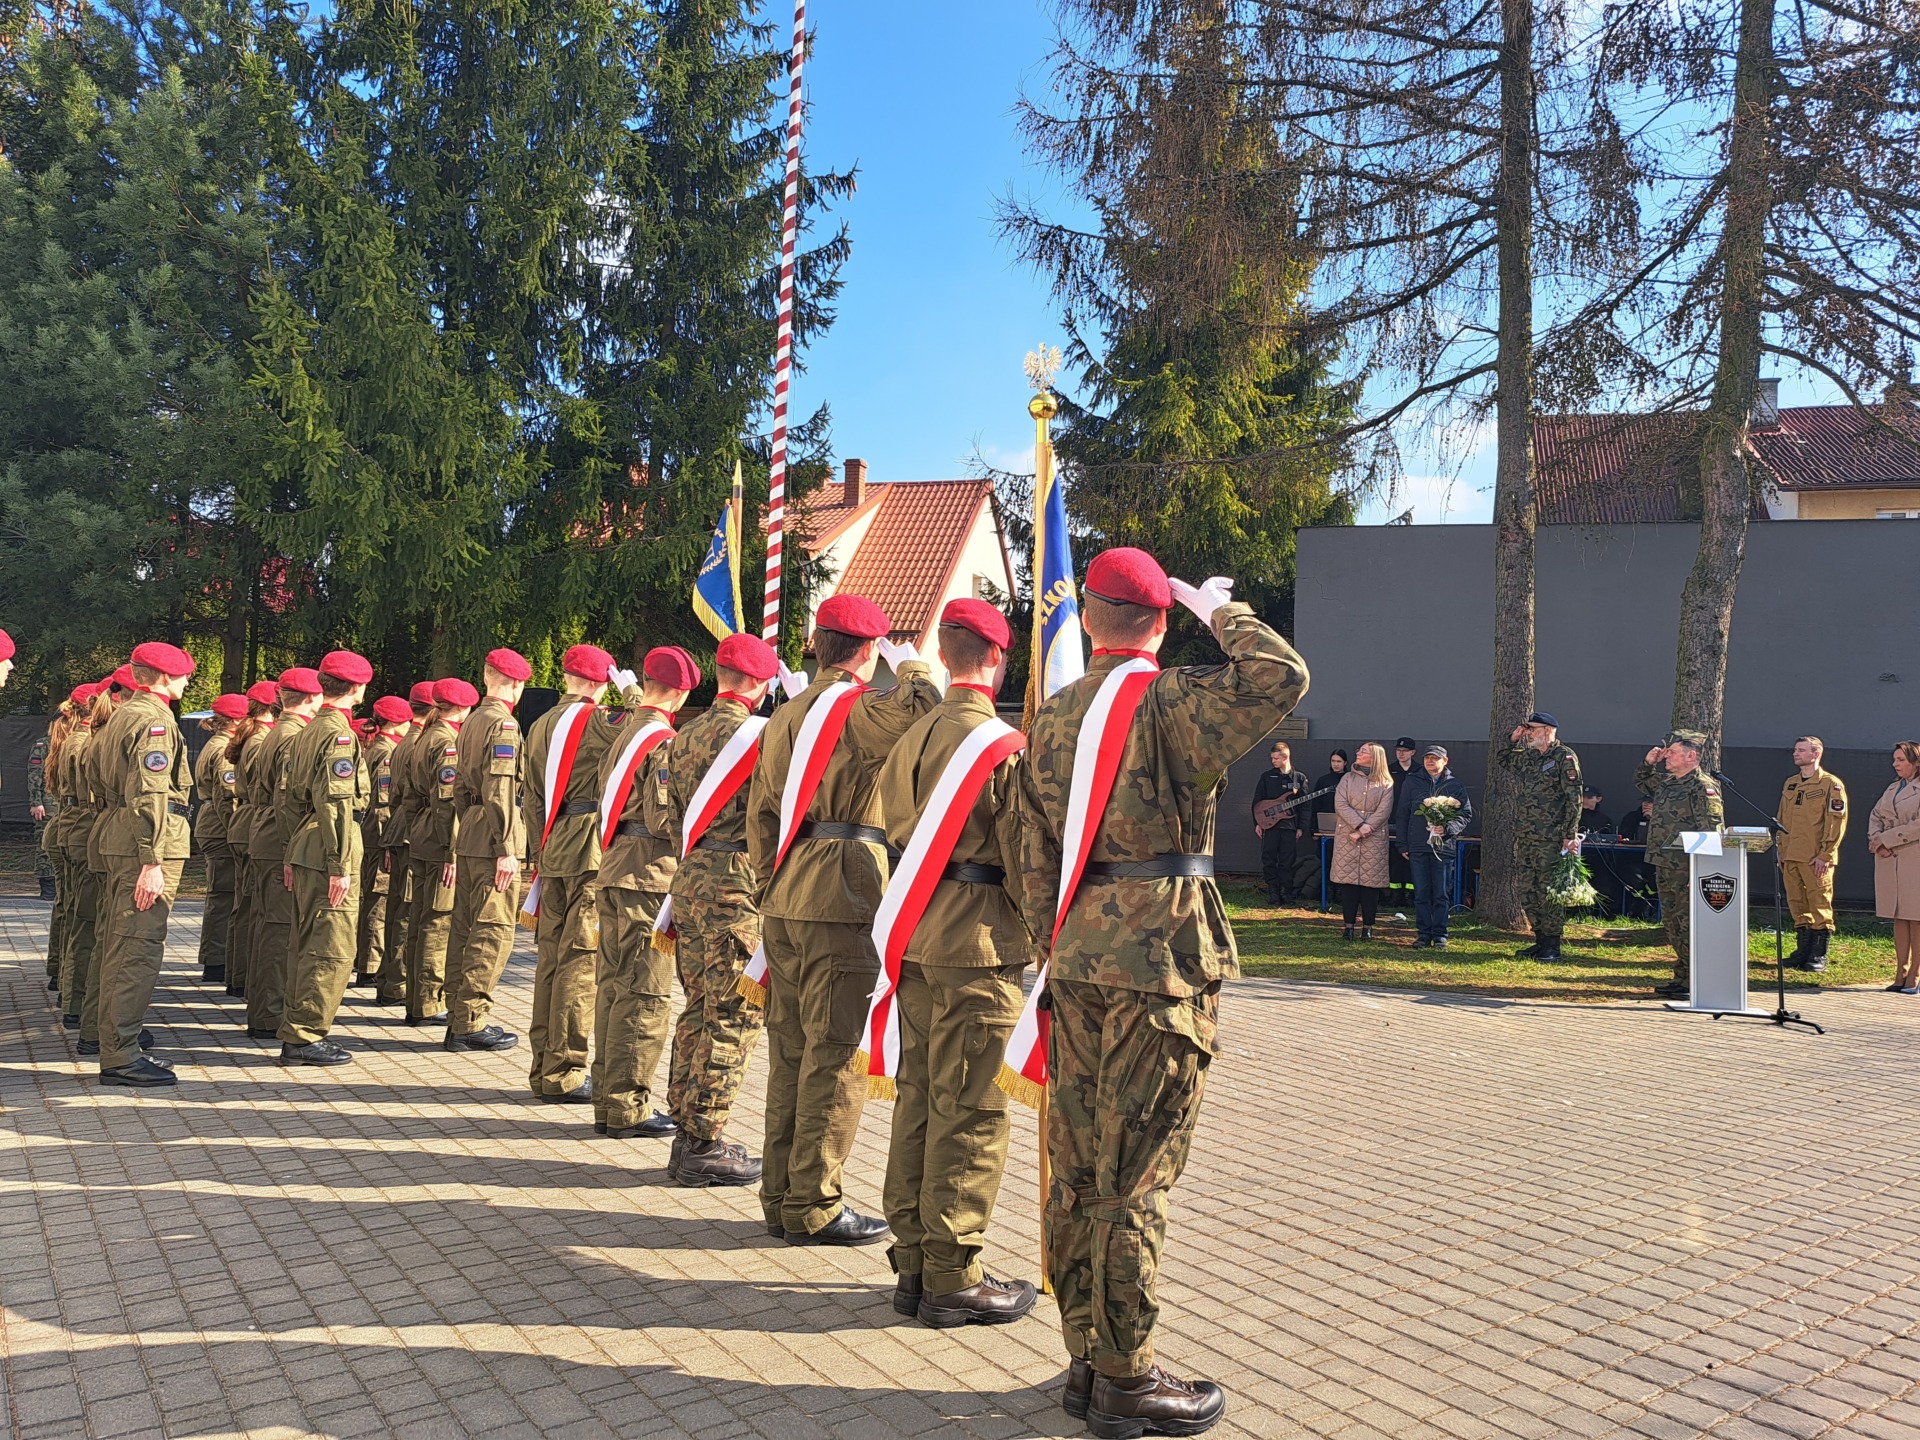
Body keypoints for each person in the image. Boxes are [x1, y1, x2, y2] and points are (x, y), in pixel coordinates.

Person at [1018, 548, 1308, 1434]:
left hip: (1077, 955)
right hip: (1162, 963)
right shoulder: (1177, 700)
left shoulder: (1052, 714)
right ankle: (1127, 1378)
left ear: (1089, 618)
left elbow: (1028, 850)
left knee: (1077, 1167)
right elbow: (1281, 674)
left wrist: (1059, 944)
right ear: (1159, 620)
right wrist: (1217, 610)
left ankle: (1085, 1358)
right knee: (1135, 1174)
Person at [746, 592, 940, 1246]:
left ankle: (780, 1197)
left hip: (786, 891)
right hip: (843, 894)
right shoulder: (861, 708)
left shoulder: (785, 712)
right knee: (836, 1056)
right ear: (868, 651)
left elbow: (761, 816)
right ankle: (814, 1205)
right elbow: (929, 710)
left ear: (818, 647)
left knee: (790, 1054)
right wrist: (911, 665)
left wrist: (769, 886)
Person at [875, 598, 1036, 1329]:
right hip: (980, 941)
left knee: (919, 1096)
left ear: (944, 657)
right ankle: (952, 1273)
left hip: (916, 928)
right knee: (969, 1107)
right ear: (997, 659)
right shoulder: (1000, 746)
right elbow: (1025, 855)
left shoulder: (910, 735)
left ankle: (913, 1262)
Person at [644, 632, 779, 1186]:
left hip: (690, 879)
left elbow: (661, 818)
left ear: (721, 677)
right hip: (736, 887)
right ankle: (702, 1143)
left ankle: (687, 1131)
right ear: (760, 683)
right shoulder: (764, 737)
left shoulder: (679, 738)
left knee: (698, 1008)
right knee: (733, 1015)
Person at [587, 645, 689, 1133]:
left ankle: (608, 1100)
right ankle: (627, 1106)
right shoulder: (663, 741)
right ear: (682, 693)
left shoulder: (626, 732)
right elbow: (663, 816)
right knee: (645, 993)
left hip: (616, 867)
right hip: (648, 875)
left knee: (613, 987)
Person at [91, 641, 198, 1087]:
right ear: (166, 677)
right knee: (137, 948)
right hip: (146, 840)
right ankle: (121, 1055)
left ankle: (114, 1044)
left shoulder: (122, 715)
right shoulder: (155, 721)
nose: (188, 682)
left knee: (119, 945)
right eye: (185, 675)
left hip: (122, 834)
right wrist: (151, 859)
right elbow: (149, 792)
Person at [523, 644, 619, 1104]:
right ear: (602, 682)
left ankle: (543, 1065)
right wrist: (630, 690)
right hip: (587, 847)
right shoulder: (599, 722)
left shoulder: (541, 723)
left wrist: (536, 849)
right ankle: (563, 1071)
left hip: (553, 841)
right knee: (579, 962)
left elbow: (530, 795)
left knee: (550, 959)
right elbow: (649, 726)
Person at [278, 650, 373, 1065]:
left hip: (307, 841)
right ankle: (305, 1034)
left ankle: (298, 1028)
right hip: (330, 844)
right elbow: (335, 802)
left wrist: (290, 851)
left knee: (305, 942)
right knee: (332, 946)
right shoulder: (339, 735)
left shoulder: (306, 730)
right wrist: (339, 864)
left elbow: (286, 799)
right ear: (357, 687)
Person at [445, 649, 529, 1053]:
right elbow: (501, 789)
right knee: (491, 930)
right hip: (495, 835)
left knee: (464, 928)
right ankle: (470, 1021)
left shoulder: (472, 721)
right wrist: (506, 846)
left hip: (473, 830)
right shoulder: (503, 725)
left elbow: (461, 788)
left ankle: (456, 1014)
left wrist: (472, 822)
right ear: (517, 684)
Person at [245, 668, 324, 1040]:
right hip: (279, 839)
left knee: (269, 927)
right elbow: (286, 799)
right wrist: (292, 851)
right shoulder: (293, 736)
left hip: (268, 836)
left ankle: (264, 1009)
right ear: (310, 697)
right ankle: (270, 1014)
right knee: (279, 931)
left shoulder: (279, 731)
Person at [404, 679, 474, 1028]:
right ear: (462, 707)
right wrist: (452, 852)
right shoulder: (447, 742)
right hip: (438, 838)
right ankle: (427, 1002)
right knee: (437, 921)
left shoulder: (424, 736)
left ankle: (416, 999)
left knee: (420, 918)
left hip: (422, 833)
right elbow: (447, 803)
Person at [1637, 731, 1725, 998]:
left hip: (1687, 867)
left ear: (1691, 756)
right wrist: (1649, 762)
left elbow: (1710, 831)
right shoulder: (1668, 782)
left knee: (1690, 924)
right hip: (1665, 863)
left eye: (1672, 752)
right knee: (1673, 923)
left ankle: (1698, 978)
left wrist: (1701, 871)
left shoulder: (1701, 786)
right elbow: (1641, 780)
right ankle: (1684, 976)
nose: (1667, 756)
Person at [1498, 712, 1584, 962]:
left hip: (1551, 837)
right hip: (1526, 835)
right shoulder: (1530, 757)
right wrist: (1512, 740)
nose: (1528, 733)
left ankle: (1552, 944)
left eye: (1532, 729)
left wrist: (1569, 833)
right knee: (1527, 890)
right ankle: (1539, 939)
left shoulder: (1564, 757)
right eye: (1526, 729)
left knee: (1549, 891)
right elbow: (1503, 758)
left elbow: (1574, 797)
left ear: (1547, 730)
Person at [375, 682, 437, 1006]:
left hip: (401, 828)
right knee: (408, 910)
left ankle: (389, 979)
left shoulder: (405, 742)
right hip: (413, 829)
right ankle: (397, 982)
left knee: (398, 907)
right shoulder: (420, 741)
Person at [223, 680, 282, 1002]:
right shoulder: (260, 739)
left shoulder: (254, 736)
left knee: (245, 904)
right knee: (250, 906)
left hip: (246, 822)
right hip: (253, 823)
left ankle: (239, 976)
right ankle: (244, 978)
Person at [354, 696, 413, 996]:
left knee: (374, 897)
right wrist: (388, 841)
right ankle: (369, 963)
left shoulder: (376, 747)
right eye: (406, 721)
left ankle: (367, 961)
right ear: (394, 722)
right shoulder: (387, 751)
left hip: (372, 833)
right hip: (379, 833)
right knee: (378, 899)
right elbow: (382, 801)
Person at [1776, 736, 1848, 974]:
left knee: (1819, 902)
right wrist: (1781, 850)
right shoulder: (1791, 783)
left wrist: (1826, 854)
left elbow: (1836, 822)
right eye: (1795, 750)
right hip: (1791, 855)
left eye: (1801, 750)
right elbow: (1782, 818)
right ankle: (1803, 950)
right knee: (1797, 903)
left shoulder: (1830, 784)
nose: (1795, 753)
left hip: (1815, 856)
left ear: (1816, 754)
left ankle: (1818, 953)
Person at [191, 695, 248, 985]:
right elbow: (227, 798)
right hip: (220, 827)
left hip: (214, 824)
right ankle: (216, 959)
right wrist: (236, 833)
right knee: (224, 895)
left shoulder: (216, 744)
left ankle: (216, 958)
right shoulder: (224, 750)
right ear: (236, 721)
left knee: (222, 894)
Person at [1394, 745, 1472, 949]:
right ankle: (1423, 934)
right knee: (1421, 893)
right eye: (1427, 757)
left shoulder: (1455, 785)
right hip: (1418, 846)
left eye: (1435, 758)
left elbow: (1465, 814)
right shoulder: (1412, 781)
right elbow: (1402, 814)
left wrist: (1447, 828)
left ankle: (1440, 935)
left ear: (1445, 761)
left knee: (1441, 893)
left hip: (1443, 848)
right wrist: (1402, 843)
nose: (1430, 761)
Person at [1868, 742, 1920, 992]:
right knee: (1899, 916)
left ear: (1915, 762)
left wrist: (1887, 839)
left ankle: (1915, 975)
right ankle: (1900, 973)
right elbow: (1875, 815)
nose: (1895, 764)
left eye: (1901, 760)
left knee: (1916, 917)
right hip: (1890, 859)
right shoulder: (1892, 788)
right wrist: (1876, 841)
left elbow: (1917, 825)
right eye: (1894, 759)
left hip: (1914, 858)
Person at [1331, 742, 1395, 939]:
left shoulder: (1386, 783)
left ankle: (1368, 927)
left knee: (1370, 885)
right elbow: (1340, 804)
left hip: (1374, 839)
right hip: (1347, 837)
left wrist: (1364, 830)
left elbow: (1384, 811)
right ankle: (1348, 926)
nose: (1358, 753)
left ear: (1374, 757)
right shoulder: (1347, 779)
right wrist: (1359, 825)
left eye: (1363, 751)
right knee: (1348, 884)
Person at [1250, 741, 1310, 905]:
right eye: (1272, 758)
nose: (1273, 761)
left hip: (1290, 827)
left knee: (1287, 860)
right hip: (1269, 826)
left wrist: (1301, 827)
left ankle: (1286, 892)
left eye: (1276, 758)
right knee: (1268, 858)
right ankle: (1273, 892)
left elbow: (1305, 805)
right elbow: (1257, 800)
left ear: (1285, 757)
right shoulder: (1267, 776)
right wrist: (1257, 823)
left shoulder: (1299, 778)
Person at [28, 721, 56, 902]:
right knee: (45, 843)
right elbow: (34, 774)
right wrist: (36, 802)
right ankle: (48, 885)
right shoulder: (43, 744)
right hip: (48, 803)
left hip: (68, 803)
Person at [1388, 738, 1418, 896]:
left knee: (1411, 858)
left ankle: (1410, 895)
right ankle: (1394, 895)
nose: (1401, 753)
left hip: (1414, 821)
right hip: (1393, 819)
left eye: (1405, 751)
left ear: (1413, 752)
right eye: (1398, 750)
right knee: (1394, 858)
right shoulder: (1389, 770)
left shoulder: (1419, 771)